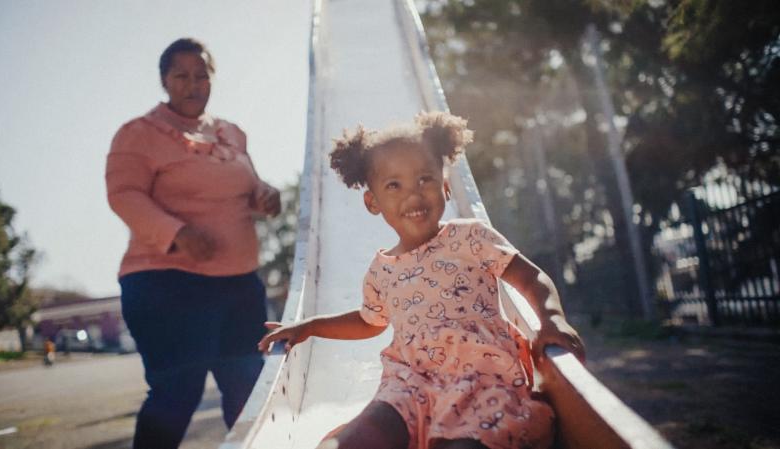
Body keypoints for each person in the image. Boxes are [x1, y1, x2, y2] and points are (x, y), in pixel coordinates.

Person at [259, 112, 585, 449]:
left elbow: (531, 278)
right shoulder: (381, 270)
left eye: (425, 179)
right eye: (394, 185)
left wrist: (552, 319)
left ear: (444, 186)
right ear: (373, 202)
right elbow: (368, 321)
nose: (413, 194)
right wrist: (310, 326)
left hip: (483, 381)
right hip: (408, 386)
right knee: (353, 441)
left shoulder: (471, 238)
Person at [106, 37, 281, 449]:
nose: (193, 84)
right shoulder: (138, 134)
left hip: (238, 286)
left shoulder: (232, 134)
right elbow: (124, 195)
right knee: (177, 393)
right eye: (181, 75)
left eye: (201, 75)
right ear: (164, 81)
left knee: (248, 390)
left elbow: (249, 187)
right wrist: (177, 234)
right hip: (167, 285)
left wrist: (266, 196)